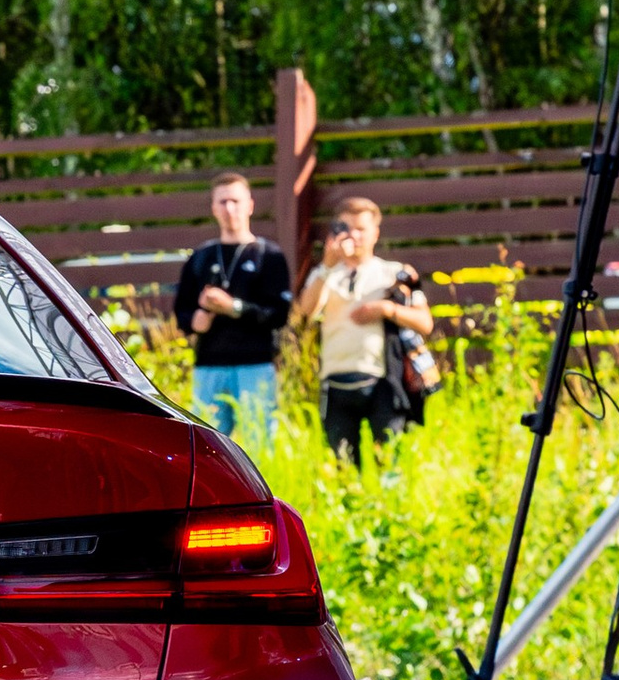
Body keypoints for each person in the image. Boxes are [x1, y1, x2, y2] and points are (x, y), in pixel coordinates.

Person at [293, 193, 433, 464]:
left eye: (361, 229)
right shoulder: (323, 273)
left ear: (375, 233)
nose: (353, 236)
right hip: (335, 383)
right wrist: (327, 265)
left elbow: (425, 323)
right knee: (341, 464)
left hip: (383, 381)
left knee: (389, 462)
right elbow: (303, 315)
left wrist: (385, 309)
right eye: (346, 229)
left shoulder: (395, 272)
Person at [171, 172, 291, 454]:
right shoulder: (201, 257)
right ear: (213, 208)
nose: (230, 209)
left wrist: (233, 308)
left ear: (249, 205)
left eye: (235, 201)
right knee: (206, 451)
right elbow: (182, 312)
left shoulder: (268, 255)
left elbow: (279, 315)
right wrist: (196, 321)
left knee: (259, 446)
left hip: (255, 364)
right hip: (209, 366)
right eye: (222, 202)